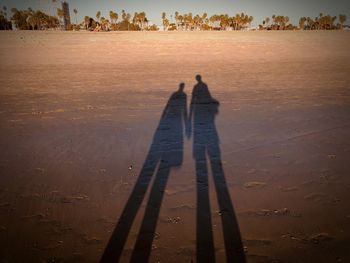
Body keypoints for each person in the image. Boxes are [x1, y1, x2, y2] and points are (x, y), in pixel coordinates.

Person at [188, 75, 246, 263]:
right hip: (207, 130)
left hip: (200, 127)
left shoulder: (198, 97)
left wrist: (190, 120)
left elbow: (195, 105)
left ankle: (205, 168)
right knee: (212, 154)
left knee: (202, 155)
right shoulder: (207, 101)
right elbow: (214, 106)